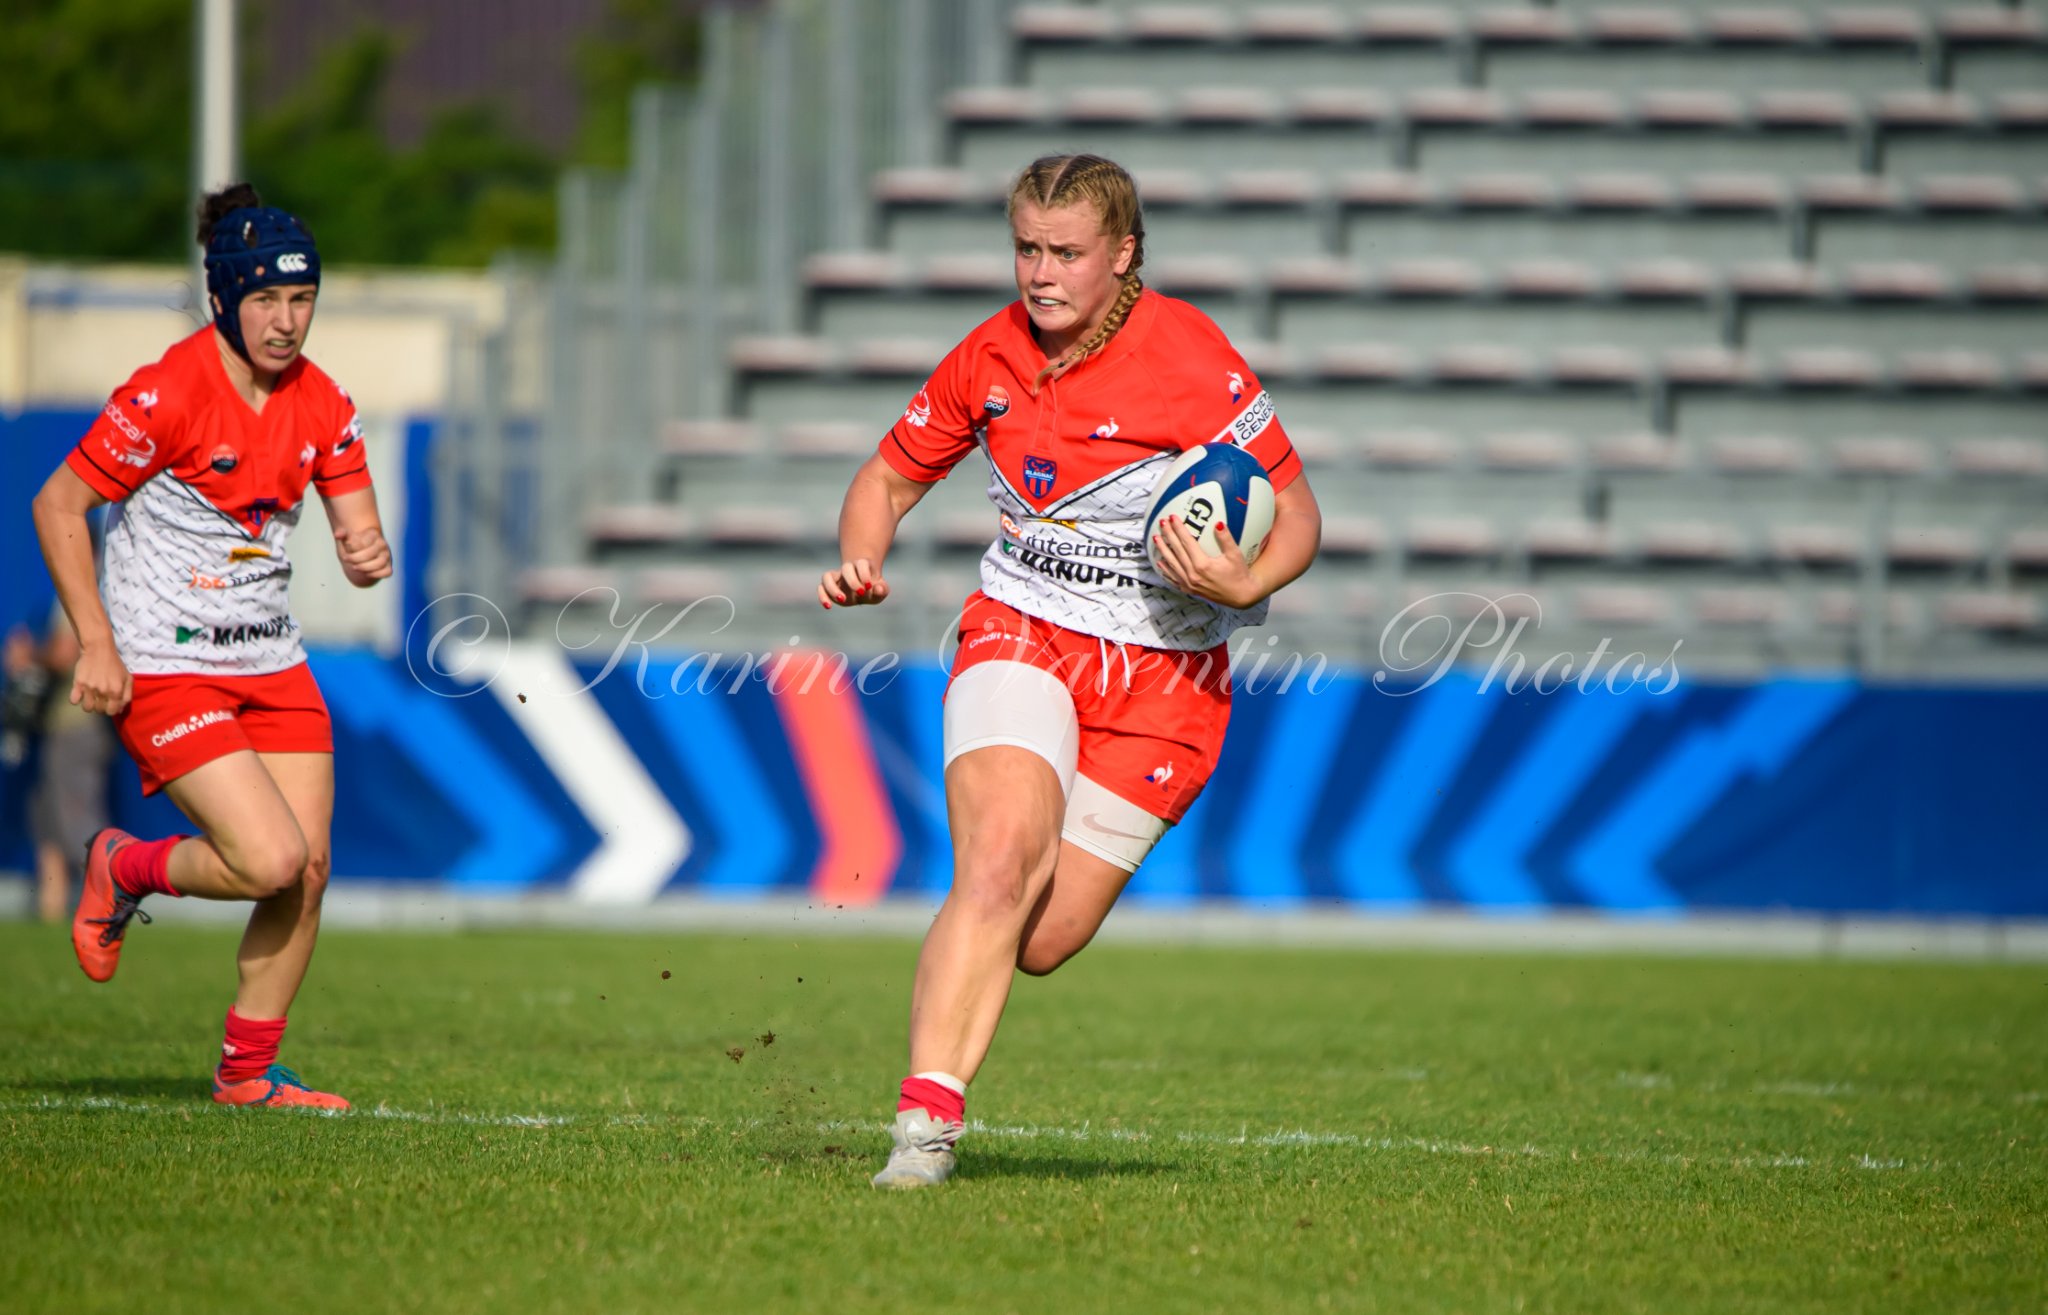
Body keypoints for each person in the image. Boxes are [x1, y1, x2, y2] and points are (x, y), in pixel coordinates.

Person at [819, 154, 1322, 1187]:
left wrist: (1240, 584)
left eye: (1064, 252)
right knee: (999, 862)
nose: (1038, 273)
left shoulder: (1188, 355)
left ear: (1121, 255)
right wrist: (861, 551)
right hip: (1024, 627)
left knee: (1040, 935)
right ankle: (922, 1132)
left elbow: (1299, 513)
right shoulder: (989, 355)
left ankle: (968, 972)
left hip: (1168, 679)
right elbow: (885, 475)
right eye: (1024, 248)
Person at [29, 183, 391, 1110]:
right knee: (266, 858)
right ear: (225, 297)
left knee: (305, 873)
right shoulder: (166, 392)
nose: (286, 320)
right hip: (167, 659)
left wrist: (364, 548)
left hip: (270, 658)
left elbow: (355, 517)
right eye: (266, 300)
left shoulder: (322, 400)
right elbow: (58, 503)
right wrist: (97, 644)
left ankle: (247, 1076)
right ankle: (126, 863)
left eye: (301, 299)